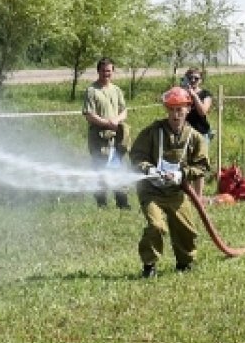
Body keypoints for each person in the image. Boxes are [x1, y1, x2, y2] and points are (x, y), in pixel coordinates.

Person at [129, 86, 211, 278]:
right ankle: (149, 266)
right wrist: (149, 169)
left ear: (188, 109)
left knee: (187, 230)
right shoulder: (153, 132)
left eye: (179, 109)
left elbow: (202, 166)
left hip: (176, 192)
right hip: (151, 191)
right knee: (156, 226)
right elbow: (137, 155)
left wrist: (182, 175)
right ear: (167, 110)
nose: (175, 115)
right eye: (172, 109)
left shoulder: (195, 137)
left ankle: (185, 263)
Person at [82, 57, 131, 209]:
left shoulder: (116, 90)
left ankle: (122, 203)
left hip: (116, 139)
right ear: (98, 71)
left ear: (113, 72)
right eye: (103, 71)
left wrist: (117, 120)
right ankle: (101, 203)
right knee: (101, 169)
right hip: (99, 139)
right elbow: (89, 114)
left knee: (118, 167)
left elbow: (124, 111)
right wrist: (107, 123)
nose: (106, 74)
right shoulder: (92, 91)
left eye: (109, 71)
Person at [181, 67, 213, 196]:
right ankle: (186, 193)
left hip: (201, 132)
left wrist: (194, 96)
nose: (193, 80)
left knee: (199, 164)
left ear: (201, 80)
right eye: (190, 78)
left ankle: (198, 196)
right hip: (184, 132)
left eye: (196, 78)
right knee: (184, 163)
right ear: (186, 79)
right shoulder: (182, 93)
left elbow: (203, 111)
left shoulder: (205, 94)